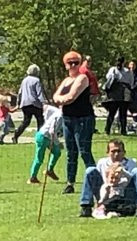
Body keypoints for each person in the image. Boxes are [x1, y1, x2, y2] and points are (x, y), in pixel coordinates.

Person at [52, 50, 96, 195]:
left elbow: (71, 97)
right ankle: (70, 183)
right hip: (67, 119)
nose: (73, 65)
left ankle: (95, 181)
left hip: (83, 118)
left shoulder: (82, 78)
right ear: (65, 65)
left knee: (84, 151)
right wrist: (60, 99)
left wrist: (61, 100)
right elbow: (55, 96)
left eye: (75, 62)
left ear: (80, 63)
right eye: (69, 63)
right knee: (71, 152)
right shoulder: (66, 81)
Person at [78, 139, 137, 217]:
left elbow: (134, 181)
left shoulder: (131, 163)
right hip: (107, 195)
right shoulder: (102, 163)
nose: (116, 154)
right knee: (90, 170)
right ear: (107, 153)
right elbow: (98, 182)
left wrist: (123, 172)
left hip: (125, 194)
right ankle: (86, 207)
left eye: (119, 151)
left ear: (124, 152)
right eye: (113, 151)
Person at [29, 103, 63, 184]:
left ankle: (49, 170)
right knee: (39, 158)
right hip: (43, 137)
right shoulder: (60, 116)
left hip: (48, 137)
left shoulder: (58, 112)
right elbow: (52, 131)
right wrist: (58, 143)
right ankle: (32, 177)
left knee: (57, 152)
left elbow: (46, 107)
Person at [12, 64, 46, 143]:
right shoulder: (36, 80)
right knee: (40, 120)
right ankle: (39, 138)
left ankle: (16, 135)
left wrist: (18, 102)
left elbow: (20, 92)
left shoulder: (24, 80)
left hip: (25, 104)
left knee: (26, 121)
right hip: (35, 104)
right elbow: (39, 93)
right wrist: (43, 103)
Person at [103, 56, 132, 136]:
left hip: (114, 94)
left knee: (112, 113)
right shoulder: (127, 71)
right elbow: (131, 82)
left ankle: (107, 130)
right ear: (124, 62)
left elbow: (108, 78)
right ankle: (123, 130)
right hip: (124, 94)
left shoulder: (112, 70)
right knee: (123, 114)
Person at [127, 59, 137, 131]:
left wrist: (131, 88)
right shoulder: (126, 74)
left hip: (135, 95)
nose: (132, 66)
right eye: (131, 64)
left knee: (135, 110)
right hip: (127, 95)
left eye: (134, 65)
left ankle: (136, 124)